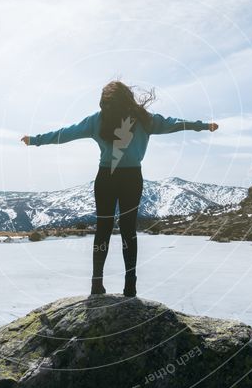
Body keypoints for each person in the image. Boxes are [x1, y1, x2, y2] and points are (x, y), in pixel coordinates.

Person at [21, 81, 218, 297]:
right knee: (128, 231)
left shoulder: (98, 119)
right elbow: (175, 123)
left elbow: (65, 133)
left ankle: (97, 283)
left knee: (103, 229)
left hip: (106, 177)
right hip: (131, 178)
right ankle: (130, 285)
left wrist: (36, 140)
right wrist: (202, 125)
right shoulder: (144, 119)